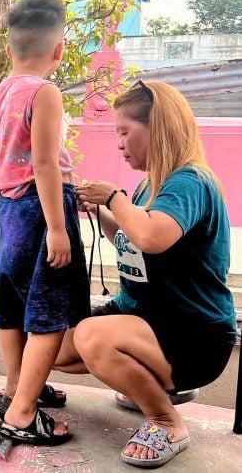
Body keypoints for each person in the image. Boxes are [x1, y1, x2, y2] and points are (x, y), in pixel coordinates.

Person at [55, 80, 236, 468]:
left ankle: (165, 420)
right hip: (142, 318)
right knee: (50, 344)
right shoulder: (146, 186)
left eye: (125, 131)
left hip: (191, 333)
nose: (119, 143)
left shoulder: (190, 181)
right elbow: (129, 237)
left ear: (159, 128)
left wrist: (113, 198)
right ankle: (151, 388)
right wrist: (87, 203)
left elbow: (152, 236)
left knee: (91, 338)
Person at [0, 0, 91, 445]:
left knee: (11, 304)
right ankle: (22, 415)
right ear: (59, 49)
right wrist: (60, 228)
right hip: (40, 210)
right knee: (48, 312)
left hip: (5, 209)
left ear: (9, 50)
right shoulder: (44, 93)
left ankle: (16, 386)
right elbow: (44, 164)